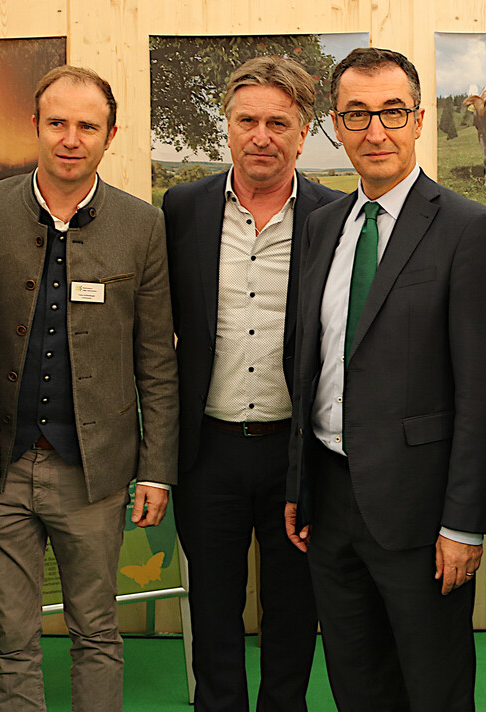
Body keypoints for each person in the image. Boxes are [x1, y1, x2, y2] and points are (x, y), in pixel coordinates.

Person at [285, 47, 486, 712]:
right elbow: (308, 364)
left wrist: (463, 525)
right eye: (356, 115)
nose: (374, 131)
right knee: (357, 684)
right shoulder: (322, 226)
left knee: (433, 688)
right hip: (329, 504)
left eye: (390, 113)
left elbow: (483, 393)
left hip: (421, 515)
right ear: (334, 124)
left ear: (416, 121)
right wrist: (301, 482)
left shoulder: (468, 230)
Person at [0, 65, 177, 711]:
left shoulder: (143, 225)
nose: (71, 138)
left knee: (96, 631)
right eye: (58, 122)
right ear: (36, 126)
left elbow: (157, 363)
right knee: (12, 637)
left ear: (111, 134)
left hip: (94, 472)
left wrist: (156, 470)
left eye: (88, 125)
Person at [163, 56, 342, 712]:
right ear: (226, 127)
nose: (260, 135)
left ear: (303, 133)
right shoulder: (181, 208)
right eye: (247, 121)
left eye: (278, 122)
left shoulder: (336, 215)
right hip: (206, 450)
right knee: (212, 606)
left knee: (293, 608)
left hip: (295, 453)